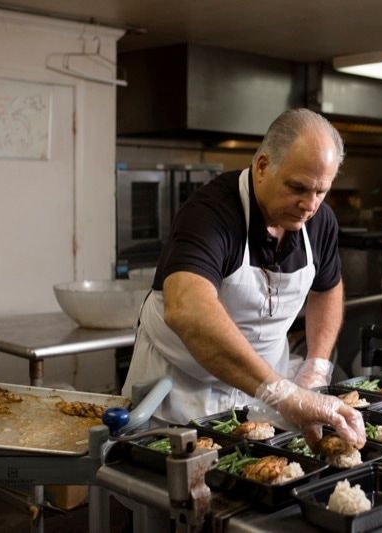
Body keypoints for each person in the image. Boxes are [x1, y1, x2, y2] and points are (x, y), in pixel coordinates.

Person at [123, 108, 365, 447]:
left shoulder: (319, 220)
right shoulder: (210, 213)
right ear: (263, 166)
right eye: (297, 187)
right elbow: (187, 309)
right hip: (180, 396)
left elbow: (327, 288)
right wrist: (281, 392)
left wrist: (317, 365)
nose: (308, 205)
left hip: (260, 398)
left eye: (321, 191)